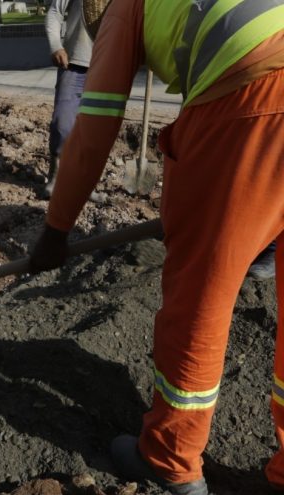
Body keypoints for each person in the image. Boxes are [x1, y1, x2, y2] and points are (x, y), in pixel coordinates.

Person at [28, 0, 284, 493]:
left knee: (200, 293)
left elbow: (94, 125)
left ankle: (170, 458)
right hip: (259, 79)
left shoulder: (125, 8)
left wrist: (56, 229)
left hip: (255, 95)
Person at [44, 0, 93, 199]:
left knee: (96, 132)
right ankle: (56, 176)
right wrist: (56, 45)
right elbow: (54, 13)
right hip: (74, 63)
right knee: (62, 123)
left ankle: (86, 183)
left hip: (109, 68)